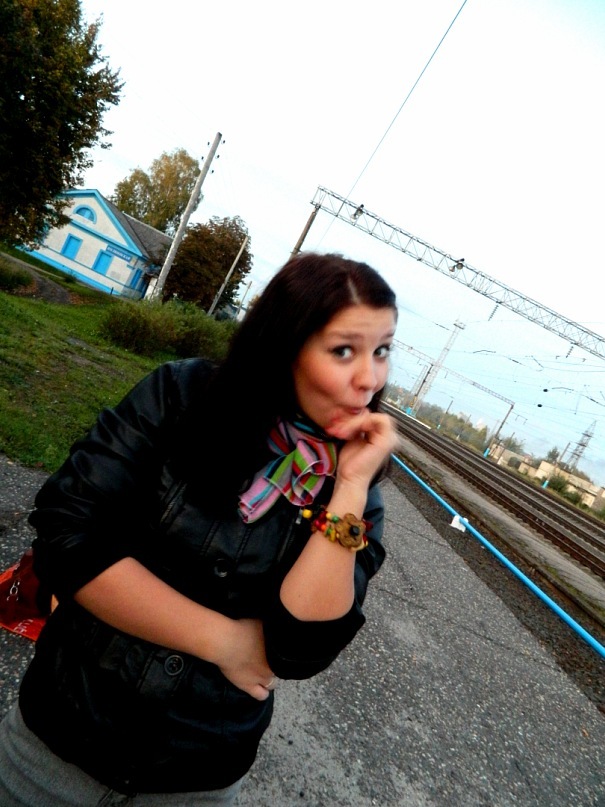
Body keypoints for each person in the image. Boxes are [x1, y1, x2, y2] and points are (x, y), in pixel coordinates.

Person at [0, 252, 399, 806]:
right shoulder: (182, 396)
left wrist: (350, 487)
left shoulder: (355, 495)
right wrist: (224, 642)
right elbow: (68, 535)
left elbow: (300, 649)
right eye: (344, 351)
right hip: (58, 744)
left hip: (197, 779)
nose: (369, 379)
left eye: (382, 350)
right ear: (285, 345)